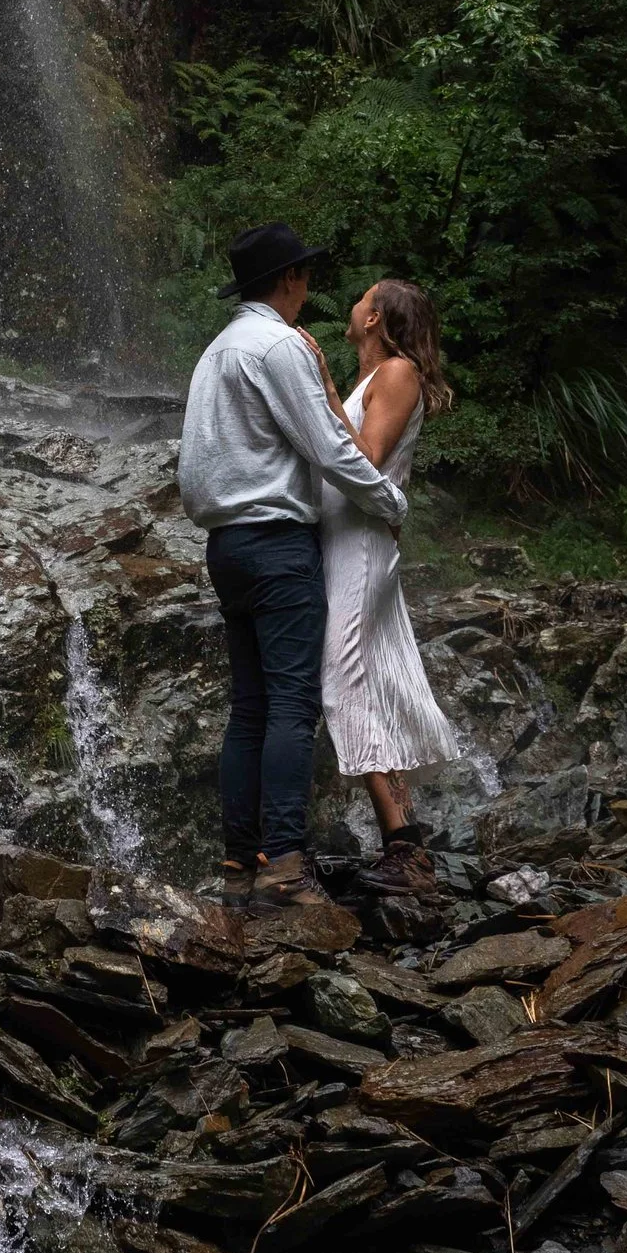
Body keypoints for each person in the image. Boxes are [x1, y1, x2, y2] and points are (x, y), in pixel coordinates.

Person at [176, 221, 407, 903]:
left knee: (249, 707)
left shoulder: (217, 351)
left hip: (226, 546)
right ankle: (283, 859)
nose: (308, 288)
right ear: (287, 281)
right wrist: (390, 502)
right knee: (291, 706)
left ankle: (237, 858)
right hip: (277, 543)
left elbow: (194, 467)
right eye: (303, 275)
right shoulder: (278, 346)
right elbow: (332, 449)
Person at [319, 276, 465, 901]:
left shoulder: (397, 373)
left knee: (343, 676)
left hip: (361, 544)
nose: (350, 303)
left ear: (375, 317)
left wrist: (320, 390)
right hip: (347, 542)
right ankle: (406, 845)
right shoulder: (376, 378)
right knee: (371, 676)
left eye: (360, 297)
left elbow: (367, 458)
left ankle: (403, 847)